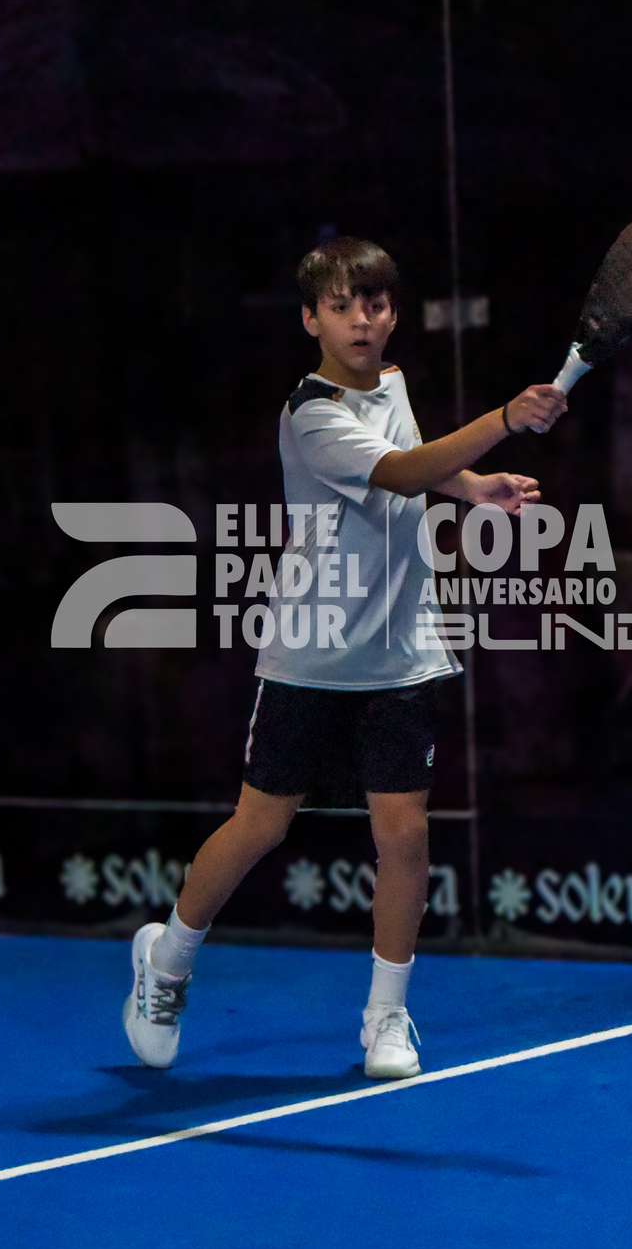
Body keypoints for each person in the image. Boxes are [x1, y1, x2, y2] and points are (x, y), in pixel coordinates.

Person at [123, 235, 567, 1078]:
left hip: (400, 652)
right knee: (261, 824)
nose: (361, 320)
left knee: (404, 834)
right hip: (312, 654)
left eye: (376, 303)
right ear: (310, 320)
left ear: (393, 314)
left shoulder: (392, 382)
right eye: (341, 306)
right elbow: (396, 470)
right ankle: (167, 960)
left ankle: (385, 1016)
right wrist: (505, 419)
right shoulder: (309, 412)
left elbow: (418, 462)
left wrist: (473, 487)